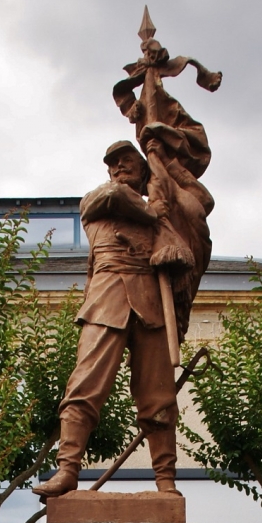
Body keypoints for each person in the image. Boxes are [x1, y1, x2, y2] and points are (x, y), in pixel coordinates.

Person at [35, 140, 181, 498]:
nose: (119, 168)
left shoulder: (162, 216)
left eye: (127, 161)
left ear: (143, 168)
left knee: (159, 398)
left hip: (150, 305)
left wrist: (171, 251)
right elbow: (112, 195)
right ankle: (67, 469)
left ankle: (166, 482)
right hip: (106, 300)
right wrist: (153, 212)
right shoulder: (98, 201)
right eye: (113, 163)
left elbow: (182, 247)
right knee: (84, 386)